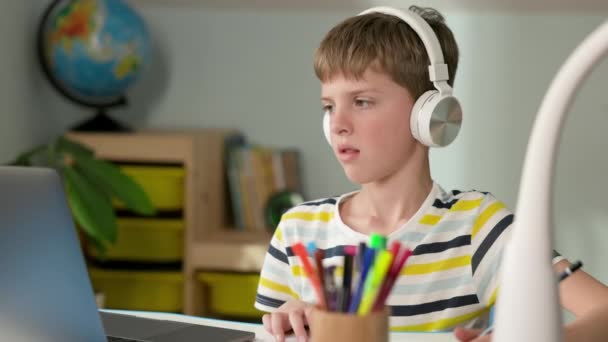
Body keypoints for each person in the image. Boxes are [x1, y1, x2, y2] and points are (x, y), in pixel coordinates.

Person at [254, 5, 608, 342]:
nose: (338, 125)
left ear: (430, 114)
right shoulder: (297, 229)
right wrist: (285, 318)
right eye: (329, 107)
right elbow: (268, 331)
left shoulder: (475, 226)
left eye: (362, 102)